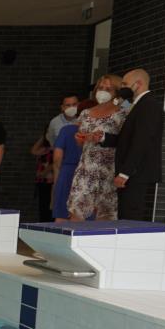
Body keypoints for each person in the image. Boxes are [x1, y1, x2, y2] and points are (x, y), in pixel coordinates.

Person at [108, 68, 165, 221]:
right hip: (134, 172)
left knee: (130, 216)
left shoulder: (149, 105)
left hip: (137, 173)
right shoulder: (137, 105)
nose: (122, 88)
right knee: (125, 214)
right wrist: (103, 138)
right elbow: (128, 138)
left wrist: (125, 172)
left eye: (125, 84)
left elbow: (142, 141)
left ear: (138, 84)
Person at [68, 75, 126, 221]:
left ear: (116, 93)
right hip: (86, 169)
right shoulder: (85, 113)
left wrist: (102, 138)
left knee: (105, 215)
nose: (103, 91)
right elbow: (80, 142)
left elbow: (125, 142)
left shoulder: (122, 114)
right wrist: (79, 139)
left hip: (108, 171)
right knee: (76, 211)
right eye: (100, 87)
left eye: (108, 89)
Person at [52, 99, 97, 221]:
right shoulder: (98, 133)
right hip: (89, 174)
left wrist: (57, 181)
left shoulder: (66, 130)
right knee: (86, 218)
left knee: (61, 216)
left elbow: (57, 159)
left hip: (67, 173)